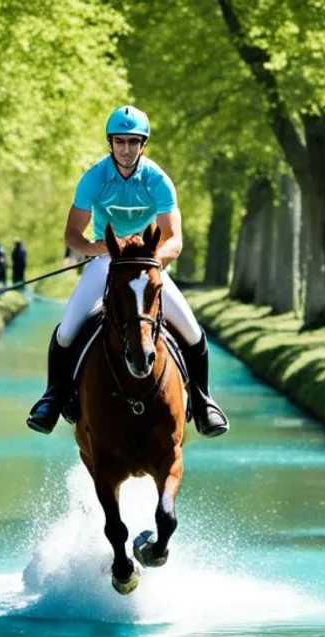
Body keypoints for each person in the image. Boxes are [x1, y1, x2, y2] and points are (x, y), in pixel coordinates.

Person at [26, 105, 228, 437]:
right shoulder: (94, 178)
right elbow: (72, 235)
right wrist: (99, 249)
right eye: (120, 141)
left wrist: (149, 261)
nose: (126, 148)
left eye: (134, 142)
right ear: (110, 142)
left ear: (143, 145)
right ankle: (52, 398)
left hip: (146, 264)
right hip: (106, 261)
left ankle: (204, 404)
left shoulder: (158, 180)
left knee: (192, 332)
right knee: (66, 332)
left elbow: (175, 239)